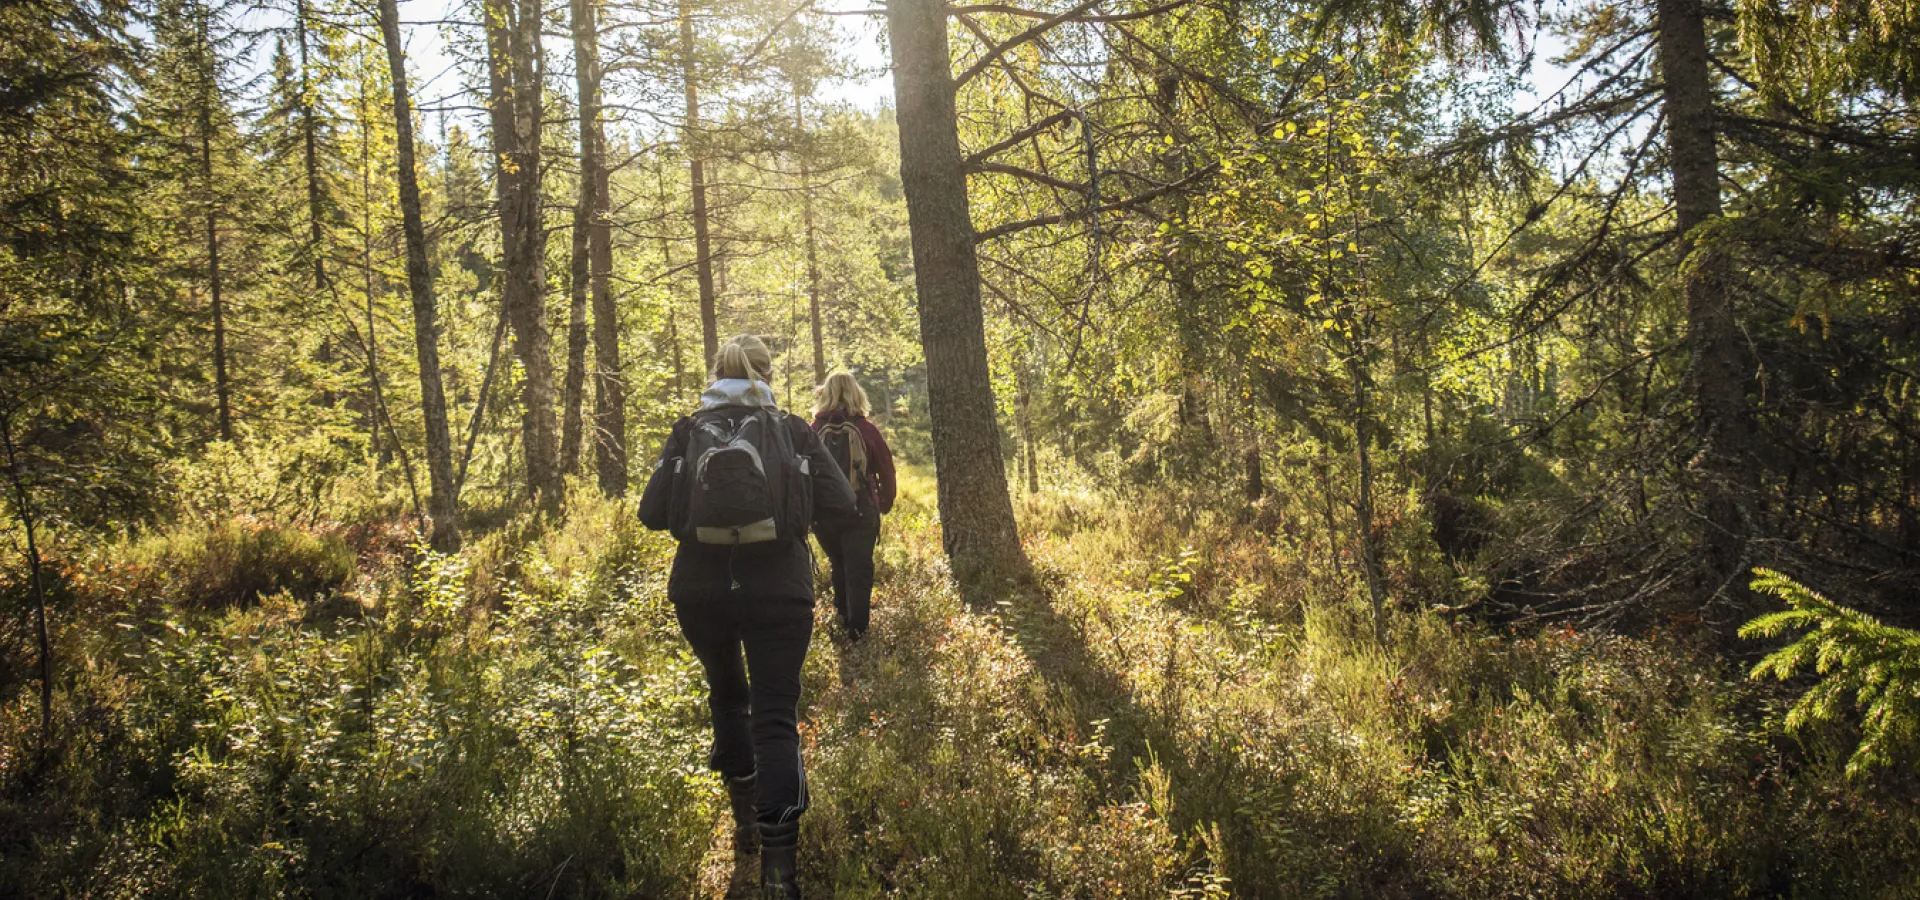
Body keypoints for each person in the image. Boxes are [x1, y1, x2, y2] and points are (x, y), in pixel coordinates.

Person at [638, 334, 855, 900]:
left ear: (717, 373)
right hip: (780, 589)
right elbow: (841, 503)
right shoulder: (790, 429)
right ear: (767, 373)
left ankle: (742, 823)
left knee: (728, 697)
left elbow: (651, 513)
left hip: (701, 590)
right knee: (776, 716)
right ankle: (779, 872)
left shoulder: (688, 430)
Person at [809, 372, 896, 640]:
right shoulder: (866, 429)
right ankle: (858, 632)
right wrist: (884, 503)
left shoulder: (813, 429)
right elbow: (886, 470)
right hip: (861, 510)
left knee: (838, 564)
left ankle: (842, 620)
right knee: (859, 569)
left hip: (825, 514)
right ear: (857, 393)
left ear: (826, 394)